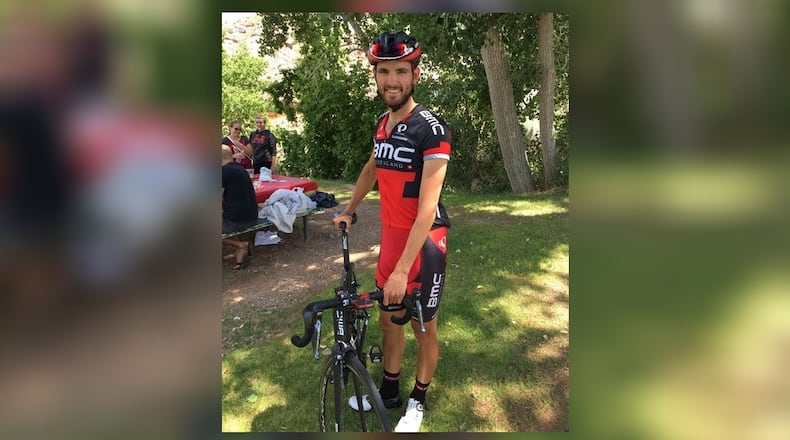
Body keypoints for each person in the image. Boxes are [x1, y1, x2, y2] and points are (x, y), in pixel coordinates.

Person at [332, 31, 451, 433]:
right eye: (384, 71)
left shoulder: (431, 130)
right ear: (376, 76)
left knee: (423, 327)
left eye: (401, 70)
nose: (392, 80)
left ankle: (417, 399)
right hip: (391, 241)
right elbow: (371, 170)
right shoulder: (383, 124)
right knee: (388, 322)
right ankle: (389, 392)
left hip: (425, 243)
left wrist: (403, 270)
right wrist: (348, 209)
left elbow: (427, 208)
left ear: (415, 74)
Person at [221, 145, 258, 270]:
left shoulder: (223, 172)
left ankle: (240, 245)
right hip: (252, 216)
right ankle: (240, 252)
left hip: (238, 221)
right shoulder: (241, 169)